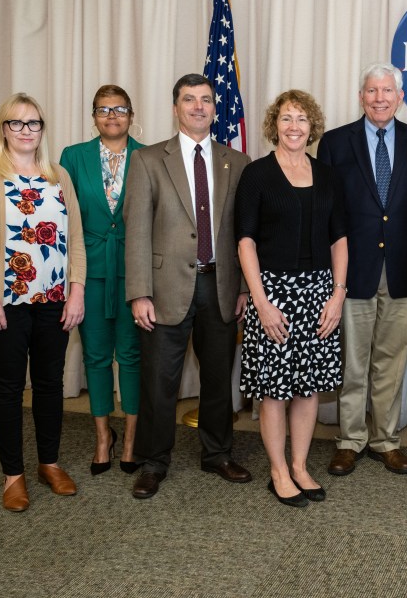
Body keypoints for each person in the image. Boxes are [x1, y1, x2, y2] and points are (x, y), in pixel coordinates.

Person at [0, 93, 86, 511]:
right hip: (3, 303)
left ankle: (49, 463)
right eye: (16, 123)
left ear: (43, 130)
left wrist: (76, 290)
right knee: (8, 389)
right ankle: (13, 476)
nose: (25, 131)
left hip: (53, 302)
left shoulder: (57, 174)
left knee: (50, 385)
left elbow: (75, 240)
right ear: (3, 129)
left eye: (34, 123)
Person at [124, 73, 252, 499]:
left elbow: (241, 233)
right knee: (160, 380)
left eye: (206, 100)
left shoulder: (236, 162)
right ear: (175, 107)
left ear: (215, 108)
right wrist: (139, 292)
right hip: (163, 290)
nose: (199, 106)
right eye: (189, 99)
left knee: (218, 377)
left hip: (220, 286)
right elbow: (137, 231)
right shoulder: (147, 161)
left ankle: (217, 454)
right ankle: (154, 462)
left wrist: (245, 290)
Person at [318, 63, 407, 477]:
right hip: (354, 272)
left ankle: (385, 439)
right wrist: (334, 277)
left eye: (387, 91)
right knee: (353, 361)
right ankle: (350, 440)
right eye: (372, 91)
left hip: (402, 271)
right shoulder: (334, 143)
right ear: (361, 96)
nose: (380, 98)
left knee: (391, 361)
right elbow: (329, 216)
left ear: (399, 97)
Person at [235, 90, 347, 508]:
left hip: (320, 292)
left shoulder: (328, 175)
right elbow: (244, 241)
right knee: (275, 389)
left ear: (312, 126)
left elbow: (340, 239)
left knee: (308, 387)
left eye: (301, 118)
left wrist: (337, 295)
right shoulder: (257, 174)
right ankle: (278, 471)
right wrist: (260, 302)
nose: (294, 126)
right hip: (274, 294)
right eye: (286, 118)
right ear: (274, 125)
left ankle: (300, 466)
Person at [59, 85, 144, 475]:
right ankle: (101, 438)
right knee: (94, 355)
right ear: (93, 116)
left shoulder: (149, 156)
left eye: (120, 109)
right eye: (103, 110)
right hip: (88, 273)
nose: (112, 116)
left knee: (130, 356)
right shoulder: (72, 158)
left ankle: (129, 439)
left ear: (131, 115)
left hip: (134, 272)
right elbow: (64, 223)